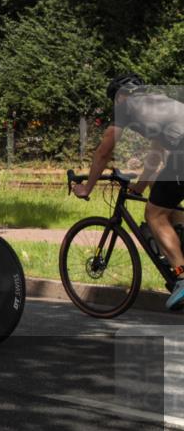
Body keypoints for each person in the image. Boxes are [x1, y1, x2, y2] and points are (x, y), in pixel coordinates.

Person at [72, 74, 184, 309]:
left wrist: (87, 187)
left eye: (114, 100)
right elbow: (156, 154)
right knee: (163, 200)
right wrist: (141, 186)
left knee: (154, 214)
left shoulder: (127, 106)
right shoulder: (156, 103)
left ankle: (182, 276)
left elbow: (104, 151)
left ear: (121, 96)